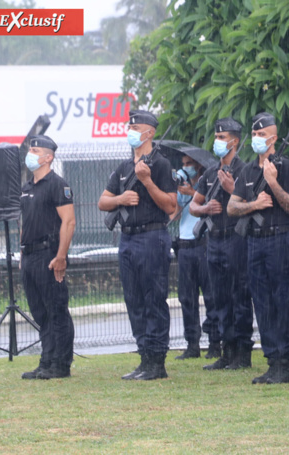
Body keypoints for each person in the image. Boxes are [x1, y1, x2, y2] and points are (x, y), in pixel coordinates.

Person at [98, 110, 177, 380]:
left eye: (136, 127)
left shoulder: (161, 164)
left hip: (152, 236)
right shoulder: (123, 168)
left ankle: (157, 361)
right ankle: (144, 357)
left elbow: (170, 205)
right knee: (134, 300)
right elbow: (103, 202)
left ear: (150, 133)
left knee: (154, 298)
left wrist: (147, 181)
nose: (131, 131)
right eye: (129, 127)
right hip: (128, 238)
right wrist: (120, 199)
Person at [228, 112, 289, 384]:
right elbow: (232, 206)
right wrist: (254, 205)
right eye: (254, 134)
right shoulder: (247, 170)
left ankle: (287, 363)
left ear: (274, 138)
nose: (257, 138)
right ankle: (273, 361)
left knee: (284, 301)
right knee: (262, 303)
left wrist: (272, 182)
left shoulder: (286, 167)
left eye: (262, 134)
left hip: (280, 239)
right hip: (255, 242)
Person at [190, 118, 254, 370]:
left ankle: (242, 352)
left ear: (234, 141)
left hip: (235, 237)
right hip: (214, 239)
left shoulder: (245, 171)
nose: (217, 142)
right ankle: (227, 351)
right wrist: (205, 208)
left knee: (239, 295)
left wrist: (231, 189)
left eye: (222, 138)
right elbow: (193, 205)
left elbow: (251, 203)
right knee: (219, 297)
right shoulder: (209, 173)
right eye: (216, 137)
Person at [19, 135, 76, 380]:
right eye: (30, 150)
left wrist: (61, 256)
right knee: (40, 312)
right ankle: (47, 361)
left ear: (48, 157)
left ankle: (61, 364)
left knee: (56, 310)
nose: (30, 154)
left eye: (35, 151)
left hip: (49, 255)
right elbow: (24, 222)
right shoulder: (27, 187)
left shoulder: (57, 184)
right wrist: (22, 253)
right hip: (29, 255)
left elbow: (69, 222)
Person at [170, 155, 215, 360]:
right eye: (183, 163)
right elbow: (174, 213)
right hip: (184, 245)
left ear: (198, 165)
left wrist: (192, 192)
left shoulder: (207, 183)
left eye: (189, 163)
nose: (185, 167)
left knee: (210, 295)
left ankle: (215, 342)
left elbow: (211, 204)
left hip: (203, 243)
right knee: (186, 297)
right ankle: (192, 343)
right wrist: (179, 192)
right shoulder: (183, 186)